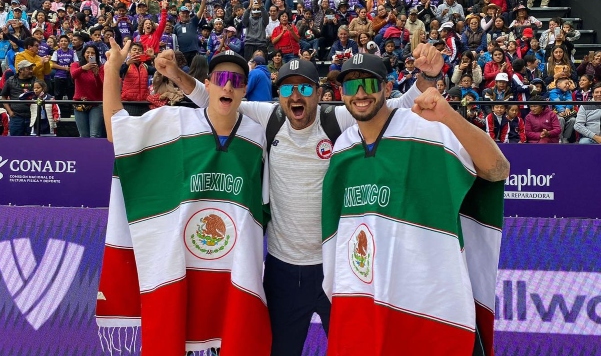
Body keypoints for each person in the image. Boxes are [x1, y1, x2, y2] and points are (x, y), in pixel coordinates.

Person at [153, 43, 507, 356]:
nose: (296, 96)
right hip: (283, 268)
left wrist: (428, 78)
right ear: (277, 96)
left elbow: (392, 105)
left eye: (305, 87)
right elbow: (216, 99)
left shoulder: (338, 120)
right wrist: (177, 75)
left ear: (319, 93)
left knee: (356, 346)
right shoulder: (267, 119)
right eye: (287, 89)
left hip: (339, 269)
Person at [321, 52, 508, 355]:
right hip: (369, 303)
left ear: (386, 87)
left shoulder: (424, 127)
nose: (359, 93)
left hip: (429, 303)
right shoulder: (343, 148)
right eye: (350, 86)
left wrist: (448, 116)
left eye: (368, 82)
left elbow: (498, 169)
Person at [97, 40, 272, 355]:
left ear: (244, 90)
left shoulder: (257, 136)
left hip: (234, 274)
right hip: (181, 271)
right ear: (207, 84)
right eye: (220, 79)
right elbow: (116, 129)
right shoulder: (175, 123)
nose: (227, 87)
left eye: (236, 81)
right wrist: (113, 68)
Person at [70, 45, 105, 138]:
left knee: (94, 134)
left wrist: (96, 75)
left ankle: (95, 153)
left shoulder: (101, 67)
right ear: (83, 54)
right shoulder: (76, 65)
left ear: (96, 55)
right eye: (88, 52)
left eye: (93, 53)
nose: (90, 55)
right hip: (79, 104)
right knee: (83, 135)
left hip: (96, 104)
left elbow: (102, 86)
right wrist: (83, 68)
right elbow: (73, 75)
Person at [1, 60, 37, 136]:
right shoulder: (10, 81)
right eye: (29, 69)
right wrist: (10, 112)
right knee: (15, 142)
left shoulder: (36, 80)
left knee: (33, 143)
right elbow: (3, 97)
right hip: (16, 116)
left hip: (32, 116)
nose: (31, 71)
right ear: (20, 70)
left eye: (31, 68)